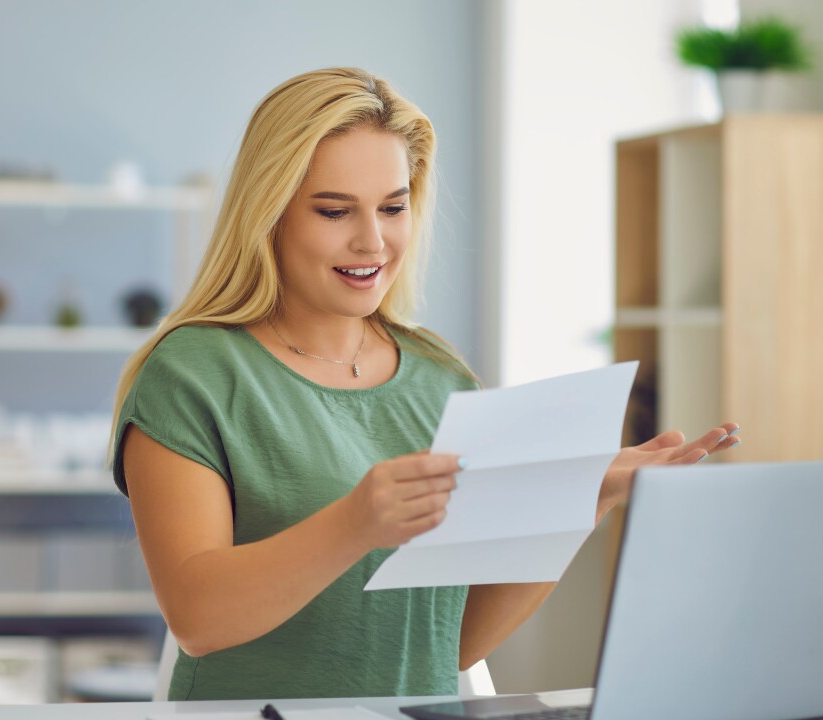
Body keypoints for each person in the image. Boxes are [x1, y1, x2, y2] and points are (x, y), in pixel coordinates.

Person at [109, 67, 741, 701]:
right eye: (334, 211)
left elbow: (451, 642)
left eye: (393, 206)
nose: (373, 241)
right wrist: (356, 523)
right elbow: (197, 618)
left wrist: (581, 499)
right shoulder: (191, 374)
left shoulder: (442, 379)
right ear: (269, 214)